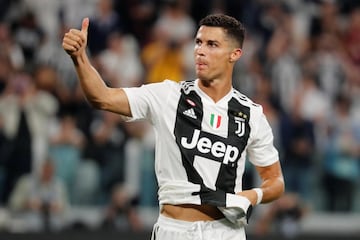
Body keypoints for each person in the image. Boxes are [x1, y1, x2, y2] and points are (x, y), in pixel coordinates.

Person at [63, 13, 285, 240]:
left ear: (234, 54)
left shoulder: (251, 114)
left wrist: (252, 196)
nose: (200, 50)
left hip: (226, 232)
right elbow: (102, 97)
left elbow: (275, 181)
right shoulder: (168, 95)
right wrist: (80, 58)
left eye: (212, 44)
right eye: (198, 42)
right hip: (174, 231)